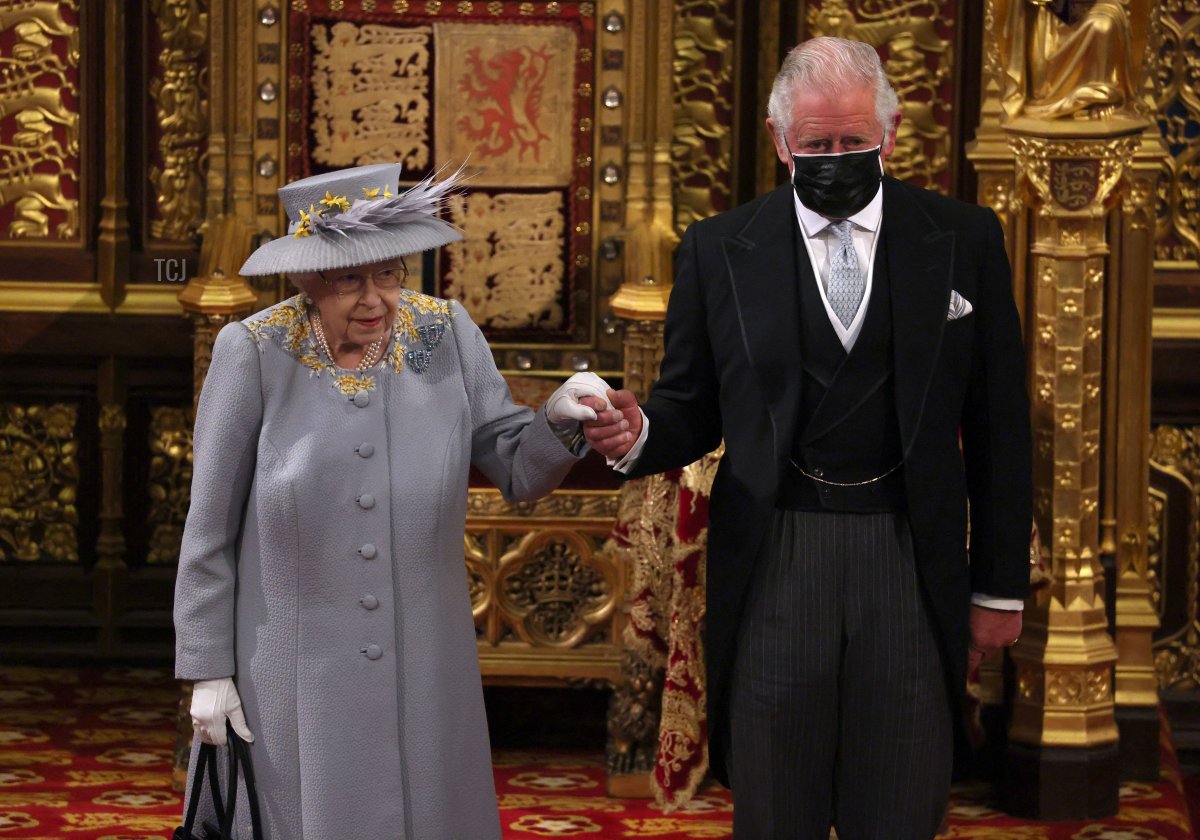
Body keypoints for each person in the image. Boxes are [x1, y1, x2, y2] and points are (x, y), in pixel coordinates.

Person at [582, 37, 1032, 839]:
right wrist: (636, 431)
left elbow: (1000, 430)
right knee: (776, 804)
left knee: (899, 801)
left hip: (909, 552)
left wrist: (999, 591)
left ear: (891, 135)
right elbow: (689, 410)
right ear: (780, 139)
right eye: (817, 144)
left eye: (854, 142)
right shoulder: (720, 250)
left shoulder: (965, 239)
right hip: (775, 560)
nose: (836, 158)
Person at [173, 162, 611, 839]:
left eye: (389, 273)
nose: (375, 299)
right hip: (292, 683)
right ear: (306, 278)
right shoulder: (253, 352)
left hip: (426, 676)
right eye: (349, 279)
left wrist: (557, 421)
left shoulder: (445, 333)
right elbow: (208, 530)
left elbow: (517, 467)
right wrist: (207, 671)